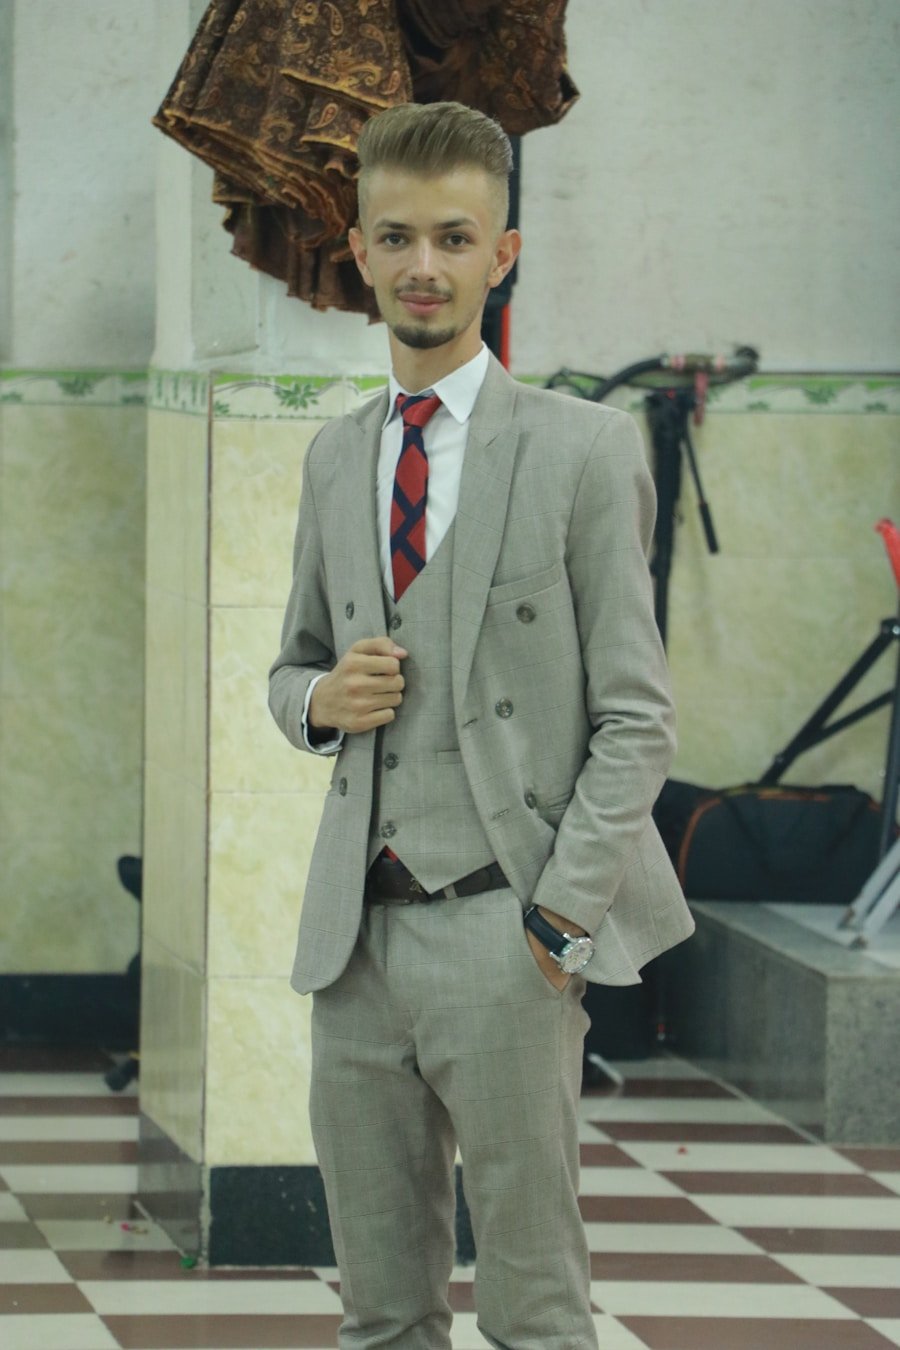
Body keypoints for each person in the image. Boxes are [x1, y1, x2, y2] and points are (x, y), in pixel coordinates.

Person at [269, 100, 694, 1350]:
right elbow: (292, 666)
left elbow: (637, 717)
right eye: (398, 237)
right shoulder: (335, 459)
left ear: (501, 255)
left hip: (507, 932)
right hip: (354, 945)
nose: (425, 266)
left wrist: (560, 920)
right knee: (379, 1313)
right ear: (359, 249)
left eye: (455, 238)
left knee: (535, 1310)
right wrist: (316, 704)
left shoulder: (584, 450)